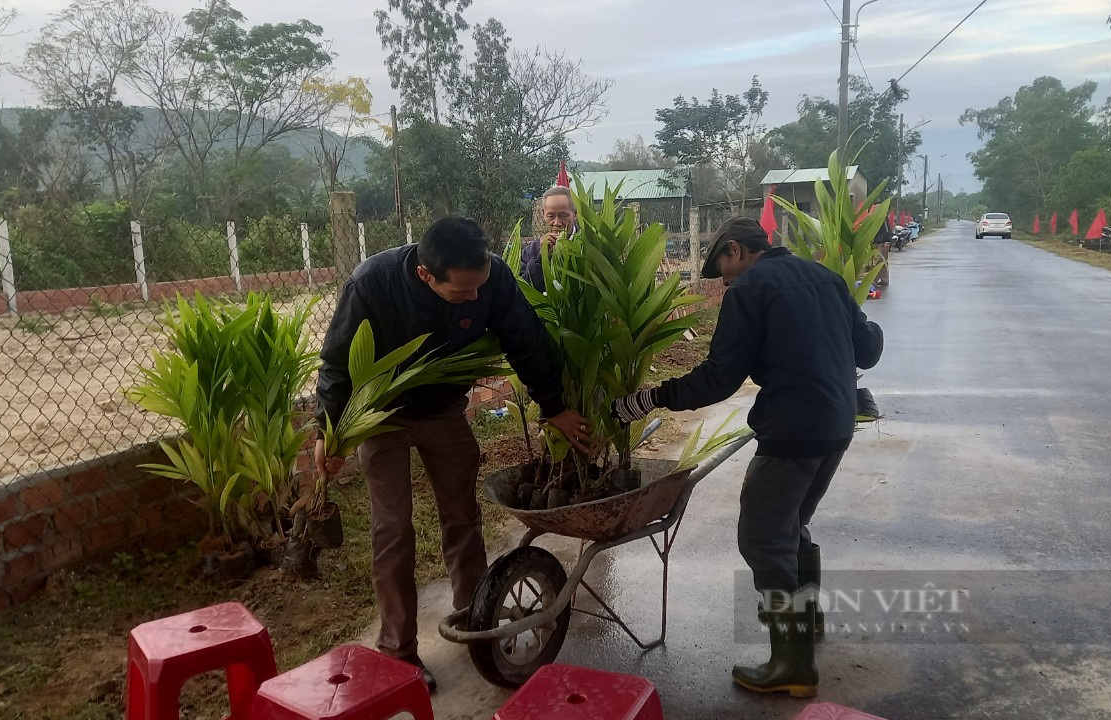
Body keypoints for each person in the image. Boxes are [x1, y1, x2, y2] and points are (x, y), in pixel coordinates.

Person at [314, 216, 590, 693]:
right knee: (393, 530)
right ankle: (399, 653)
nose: (474, 299)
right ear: (426, 275)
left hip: (445, 411)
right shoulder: (372, 284)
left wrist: (554, 407)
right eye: (461, 293)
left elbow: (524, 339)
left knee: (463, 516)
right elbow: (338, 363)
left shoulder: (492, 277)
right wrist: (329, 433)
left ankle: (474, 619)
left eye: (479, 287)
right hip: (382, 416)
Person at [611, 217, 884, 698]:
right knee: (792, 522)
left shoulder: (750, 290)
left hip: (792, 431)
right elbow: (868, 351)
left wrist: (649, 399)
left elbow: (719, 377)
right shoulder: (826, 278)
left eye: (723, 270)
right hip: (838, 424)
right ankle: (807, 620)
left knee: (762, 539)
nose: (725, 282)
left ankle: (793, 666)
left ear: (736, 250)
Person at [519, 186, 578, 292]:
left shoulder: (589, 246)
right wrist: (541, 259)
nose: (557, 223)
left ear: (575, 214)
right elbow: (523, 290)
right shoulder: (531, 251)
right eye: (551, 216)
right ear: (543, 214)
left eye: (563, 216)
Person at [871, 211, 894, 287]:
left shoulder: (883, 218)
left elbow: (887, 230)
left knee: (878, 261)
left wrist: (887, 241)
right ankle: (884, 279)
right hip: (879, 242)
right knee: (883, 262)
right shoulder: (878, 218)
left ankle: (874, 280)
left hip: (883, 242)